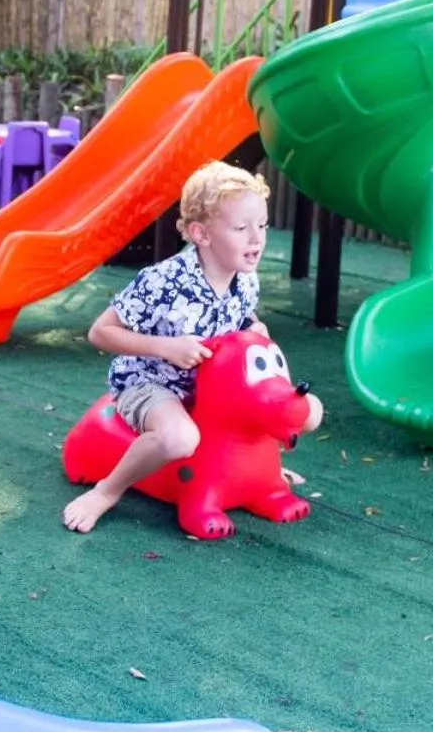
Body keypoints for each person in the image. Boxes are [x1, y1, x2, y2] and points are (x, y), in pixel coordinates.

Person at [62, 160, 315, 533]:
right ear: (201, 233)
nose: (257, 238)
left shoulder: (246, 281)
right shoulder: (162, 281)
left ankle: (261, 475)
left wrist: (253, 328)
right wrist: (167, 348)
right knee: (179, 438)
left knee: (264, 401)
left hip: (209, 391)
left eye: (261, 225)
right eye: (242, 228)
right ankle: (107, 491)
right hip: (151, 383)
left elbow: (239, 323)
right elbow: (101, 333)